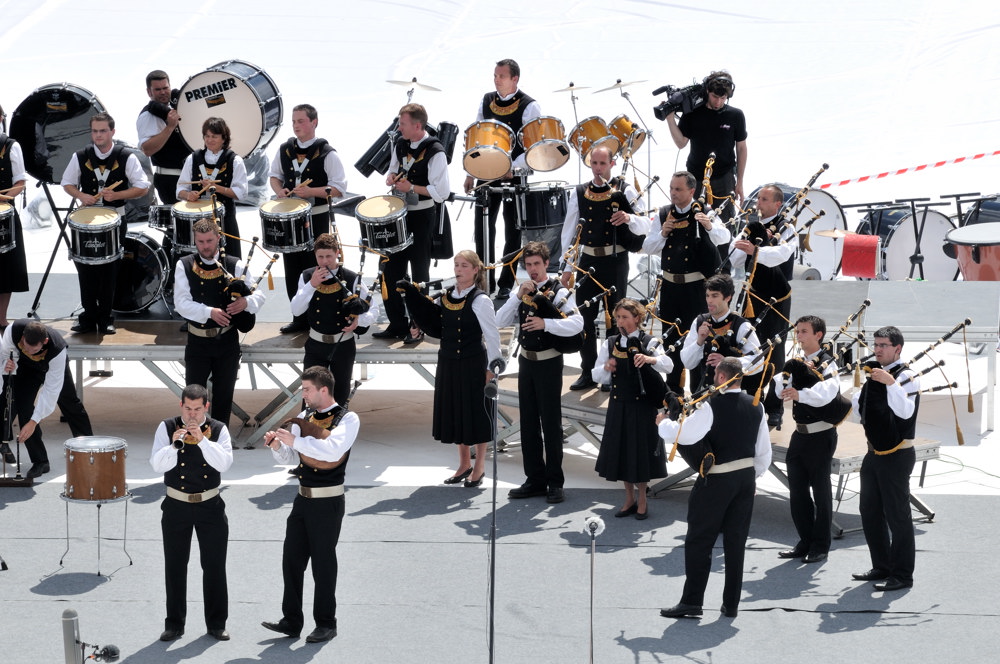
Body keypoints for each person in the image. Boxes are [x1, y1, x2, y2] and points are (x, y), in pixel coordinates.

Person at [657, 357, 772, 619]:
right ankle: (731, 604)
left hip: (717, 482)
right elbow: (763, 452)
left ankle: (692, 602)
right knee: (736, 542)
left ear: (722, 377)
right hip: (745, 480)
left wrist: (663, 422)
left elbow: (683, 434)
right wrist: (752, 478)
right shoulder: (757, 405)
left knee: (700, 540)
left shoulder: (711, 405)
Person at [261, 366, 360, 644]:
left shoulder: (347, 419)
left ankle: (326, 623)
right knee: (291, 560)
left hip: (328, 501)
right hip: (302, 499)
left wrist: (296, 440)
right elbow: (293, 458)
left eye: (307, 389)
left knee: (323, 564)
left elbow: (333, 451)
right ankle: (291, 620)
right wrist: (279, 446)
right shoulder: (305, 417)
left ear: (323, 390)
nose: (303, 395)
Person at [399, 250, 501, 486]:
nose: (458, 269)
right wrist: (417, 327)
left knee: (477, 414)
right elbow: (431, 319)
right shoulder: (445, 295)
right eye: (456, 265)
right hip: (448, 362)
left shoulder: (481, 300)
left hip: (473, 363)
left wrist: (492, 369)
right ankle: (464, 464)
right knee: (457, 412)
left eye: (464, 265)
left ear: (476, 270)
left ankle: (480, 466)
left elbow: (492, 336)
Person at [495, 241, 583, 503]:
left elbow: (577, 324)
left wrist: (546, 323)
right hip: (526, 362)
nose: (532, 269)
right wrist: (515, 295)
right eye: (528, 265)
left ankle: (555, 482)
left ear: (547, 264)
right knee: (529, 423)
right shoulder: (522, 291)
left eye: (536, 264)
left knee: (551, 424)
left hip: (548, 363)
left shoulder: (559, 291)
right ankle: (534, 479)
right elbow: (499, 321)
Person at [559, 145, 648, 391]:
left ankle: (611, 373)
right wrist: (567, 268)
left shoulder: (625, 190)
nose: (598, 169)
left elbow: (647, 223)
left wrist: (629, 218)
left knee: (615, 320)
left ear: (612, 164)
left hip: (615, 261)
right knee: (584, 318)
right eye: (594, 164)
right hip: (587, 262)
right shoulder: (579, 192)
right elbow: (570, 233)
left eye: (602, 164)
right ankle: (587, 371)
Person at [150, 383, 234, 642]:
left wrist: (203, 441)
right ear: (181, 406)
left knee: (214, 566)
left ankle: (216, 624)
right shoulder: (166, 427)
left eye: (198, 409)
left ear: (206, 407)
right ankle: (174, 624)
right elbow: (156, 465)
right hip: (177, 506)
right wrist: (175, 445)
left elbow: (225, 464)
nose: (192, 415)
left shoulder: (219, 430)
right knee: (175, 566)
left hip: (210, 506)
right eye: (188, 408)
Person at [641, 171, 730, 393]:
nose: (673, 193)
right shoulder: (663, 214)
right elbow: (648, 247)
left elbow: (725, 237)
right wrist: (662, 233)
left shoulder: (704, 211)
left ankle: (698, 391)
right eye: (671, 188)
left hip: (696, 289)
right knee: (671, 337)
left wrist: (709, 226)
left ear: (692, 191)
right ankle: (673, 393)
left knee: (697, 339)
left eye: (678, 189)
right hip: (670, 288)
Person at [61, 112, 150, 334]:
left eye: (102, 131)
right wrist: (81, 196)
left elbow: (143, 186)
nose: (98, 135)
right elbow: (67, 183)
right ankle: (88, 316)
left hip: (115, 218)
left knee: (110, 270)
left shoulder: (126, 156)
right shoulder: (81, 155)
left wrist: (118, 195)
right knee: (85, 268)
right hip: (87, 220)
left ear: (112, 132)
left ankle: (106, 317)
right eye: (94, 131)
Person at [173, 218, 265, 428]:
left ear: (219, 239)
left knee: (224, 394)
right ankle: (193, 436)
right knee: (194, 396)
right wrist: (209, 312)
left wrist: (245, 302)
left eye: (209, 241)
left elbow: (259, 296)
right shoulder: (184, 265)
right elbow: (181, 304)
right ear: (195, 241)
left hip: (227, 340)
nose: (206, 246)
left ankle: (220, 438)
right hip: (198, 340)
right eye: (201, 241)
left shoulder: (234, 264)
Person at [463, 58, 542, 298]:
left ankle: (506, 282)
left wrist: (513, 167)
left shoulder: (530, 106)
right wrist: (470, 172)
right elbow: (476, 137)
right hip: (485, 174)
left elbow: (534, 147)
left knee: (512, 230)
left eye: (501, 76)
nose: (496, 80)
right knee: (483, 227)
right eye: (495, 75)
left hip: (513, 176)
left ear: (514, 79)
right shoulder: (486, 100)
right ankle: (483, 280)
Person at [851, 326, 920, 592]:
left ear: (897, 348)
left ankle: (902, 575)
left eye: (883, 345)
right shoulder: (873, 374)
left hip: (898, 454)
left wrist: (890, 384)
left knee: (897, 516)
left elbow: (905, 411)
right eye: (876, 345)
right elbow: (860, 412)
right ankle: (881, 565)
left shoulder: (907, 377)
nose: (877, 349)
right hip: (874, 454)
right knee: (869, 510)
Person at [269, 104, 348, 334]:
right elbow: (275, 176)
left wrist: (312, 192)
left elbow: (339, 189)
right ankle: (298, 318)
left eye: (301, 121)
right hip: (290, 220)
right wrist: (280, 190)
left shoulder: (327, 153)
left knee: (315, 267)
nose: (296, 126)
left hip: (316, 219)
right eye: (293, 121)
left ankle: (318, 317)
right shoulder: (284, 149)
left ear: (314, 122)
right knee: (292, 268)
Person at [374, 103, 449, 344]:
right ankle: (397, 324)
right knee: (391, 271)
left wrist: (412, 188)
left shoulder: (436, 151)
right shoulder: (400, 144)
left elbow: (442, 193)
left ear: (418, 125)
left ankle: (418, 326)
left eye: (403, 123)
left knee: (419, 274)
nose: (399, 127)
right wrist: (391, 177)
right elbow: (394, 169)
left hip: (422, 216)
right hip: (399, 214)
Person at [592, 299, 671, 520]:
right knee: (624, 453)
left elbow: (669, 365)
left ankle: (642, 499)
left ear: (637, 318)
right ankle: (629, 498)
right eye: (617, 317)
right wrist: (606, 368)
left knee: (640, 454)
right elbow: (595, 374)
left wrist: (650, 358)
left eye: (625, 317)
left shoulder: (650, 340)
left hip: (642, 406)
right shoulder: (610, 343)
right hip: (619, 405)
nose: (620, 321)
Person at [775, 316, 841, 564]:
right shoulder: (796, 362)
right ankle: (805, 540)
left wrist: (799, 394)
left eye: (804, 331)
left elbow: (827, 393)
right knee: (798, 491)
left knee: (821, 491)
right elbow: (780, 386)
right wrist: (782, 384)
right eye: (798, 331)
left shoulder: (829, 363)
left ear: (819, 335)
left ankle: (821, 545)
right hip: (800, 435)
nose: (799, 336)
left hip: (821, 434)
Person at [732, 183, 796, 427]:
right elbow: (736, 255)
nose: (759, 203)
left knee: (775, 351)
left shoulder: (786, 228)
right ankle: (749, 399)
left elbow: (783, 254)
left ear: (777, 203)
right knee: (750, 346)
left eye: (765, 199)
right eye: (759, 198)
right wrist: (744, 248)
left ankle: (775, 406)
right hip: (754, 296)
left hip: (777, 298)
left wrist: (756, 250)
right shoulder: (751, 226)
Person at [290, 233, 376, 405]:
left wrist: (360, 320)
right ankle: (310, 431)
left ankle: (336, 431)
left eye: (328, 256)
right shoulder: (307, 277)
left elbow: (372, 309)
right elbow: (296, 309)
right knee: (310, 396)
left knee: (340, 396)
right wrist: (311, 285)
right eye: (320, 257)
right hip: (315, 345)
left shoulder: (352, 278)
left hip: (342, 345)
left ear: (337, 253)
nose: (324, 261)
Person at [0, 319, 93, 478]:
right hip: (26, 369)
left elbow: (50, 392)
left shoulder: (57, 350)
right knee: (24, 409)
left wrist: (34, 422)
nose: (29, 352)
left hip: (50, 366)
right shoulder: (12, 331)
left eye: (33, 350)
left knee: (70, 403)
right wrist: (7, 366)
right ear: (23, 337)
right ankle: (41, 462)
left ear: (45, 341)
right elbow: (3, 358)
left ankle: (89, 448)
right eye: (25, 347)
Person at [665, 71, 747, 211]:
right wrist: (670, 119)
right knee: (691, 219)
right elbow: (681, 143)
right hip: (695, 176)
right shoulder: (692, 112)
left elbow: (741, 148)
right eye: (715, 96)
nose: (718, 102)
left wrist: (739, 182)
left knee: (725, 223)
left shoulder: (736, 115)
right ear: (707, 91)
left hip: (724, 175)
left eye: (723, 98)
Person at [176, 117, 247, 259]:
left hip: (225, 218)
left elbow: (241, 193)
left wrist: (217, 188)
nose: (209, 140)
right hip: (198, 219)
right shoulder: (193, 158)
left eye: (214, 136)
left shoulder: (234, 160)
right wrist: (188, 195)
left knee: (228, 259)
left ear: (224, 138)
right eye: (207, 136)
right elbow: (180, 189)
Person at [679, 273, 761, 394]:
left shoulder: (742, 326)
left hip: (732, 396)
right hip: (702, 395)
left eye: (715, 296)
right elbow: (687, 363)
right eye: (707, 296)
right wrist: (699, 341)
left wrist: (728, 362)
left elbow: (759, 360)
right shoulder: (699, 321)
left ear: (728, 297)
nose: (709, 301)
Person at [136, 70, 190, 205]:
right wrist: (170, 127)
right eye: (157, 89)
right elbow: (147, 149)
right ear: (149, 92)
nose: (163, 92)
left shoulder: (177, 107)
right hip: (169, 178)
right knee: (180, 224)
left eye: (165, 88)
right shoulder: (147, 116)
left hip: (190, 175)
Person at [0, 106, 28, 328]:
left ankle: (1, 318)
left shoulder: (11, 146)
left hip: (4, 216)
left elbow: (19, 184)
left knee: (6, 270)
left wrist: (5, 198)